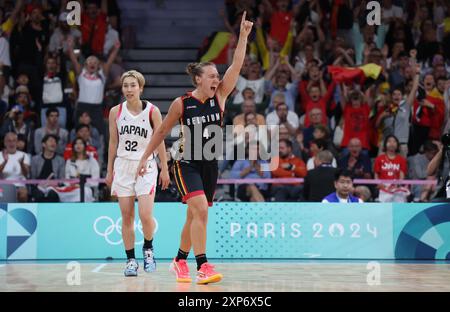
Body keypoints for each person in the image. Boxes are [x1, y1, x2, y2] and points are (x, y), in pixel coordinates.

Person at [135, 12, 253, 284]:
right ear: (199, 79)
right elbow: (161, 131)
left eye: (217, 76)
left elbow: (236, 65)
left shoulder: (220, 97)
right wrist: (146, 158)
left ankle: (179, 261)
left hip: (209, 163)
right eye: (212, 76)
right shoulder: (182, 103)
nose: (217, 79)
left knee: (194, 215)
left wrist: (244, 37)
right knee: (200, 210)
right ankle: (203, 265)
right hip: (184, 162)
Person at [105, 70, 170, 277]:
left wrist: (164, 168)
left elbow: (159, 140)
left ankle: (148, 250)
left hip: (147, 166)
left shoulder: (152, 111)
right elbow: (113, 142)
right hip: (123, 165)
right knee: (126, 216)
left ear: (140, 88)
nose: (129, 89)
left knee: (145, 214)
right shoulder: (116, 112)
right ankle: (131, 260)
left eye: (133, 85)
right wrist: (109, 170)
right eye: (125, 86)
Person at [374, 135, 409, 203]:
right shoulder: (379, 159)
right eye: (389, 141)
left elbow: (402, 176)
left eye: (394, 141)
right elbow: (376, 176)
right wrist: (381, 186)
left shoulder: (401, 160)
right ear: (385, 144)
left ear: (397, 145)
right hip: (383, 187)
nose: (392, 143)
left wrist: (397, 185)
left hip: (396, 186)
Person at [30, 134, 65, 202]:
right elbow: (32, 178)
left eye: (55, 142)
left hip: (54, 187)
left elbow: (61, 179)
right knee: (38, 194)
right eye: (51, 141)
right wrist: (40, 184)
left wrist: (54, 183)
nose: (53, 143)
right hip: (39, 186)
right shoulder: (35, 159)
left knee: (52, 194)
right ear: (44, 144)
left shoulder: (60, 160)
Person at [0, 132, 30, 202]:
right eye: (9, 141)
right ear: (5, 143)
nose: (12, 143)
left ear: (17, 143)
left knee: (23, 193)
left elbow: (26, 174)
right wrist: (5, 162)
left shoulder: (24, 155)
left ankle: (21, 212)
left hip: (20, 186)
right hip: (4, 186)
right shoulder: (0, 155)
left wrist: (21, 164)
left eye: (14, 141)